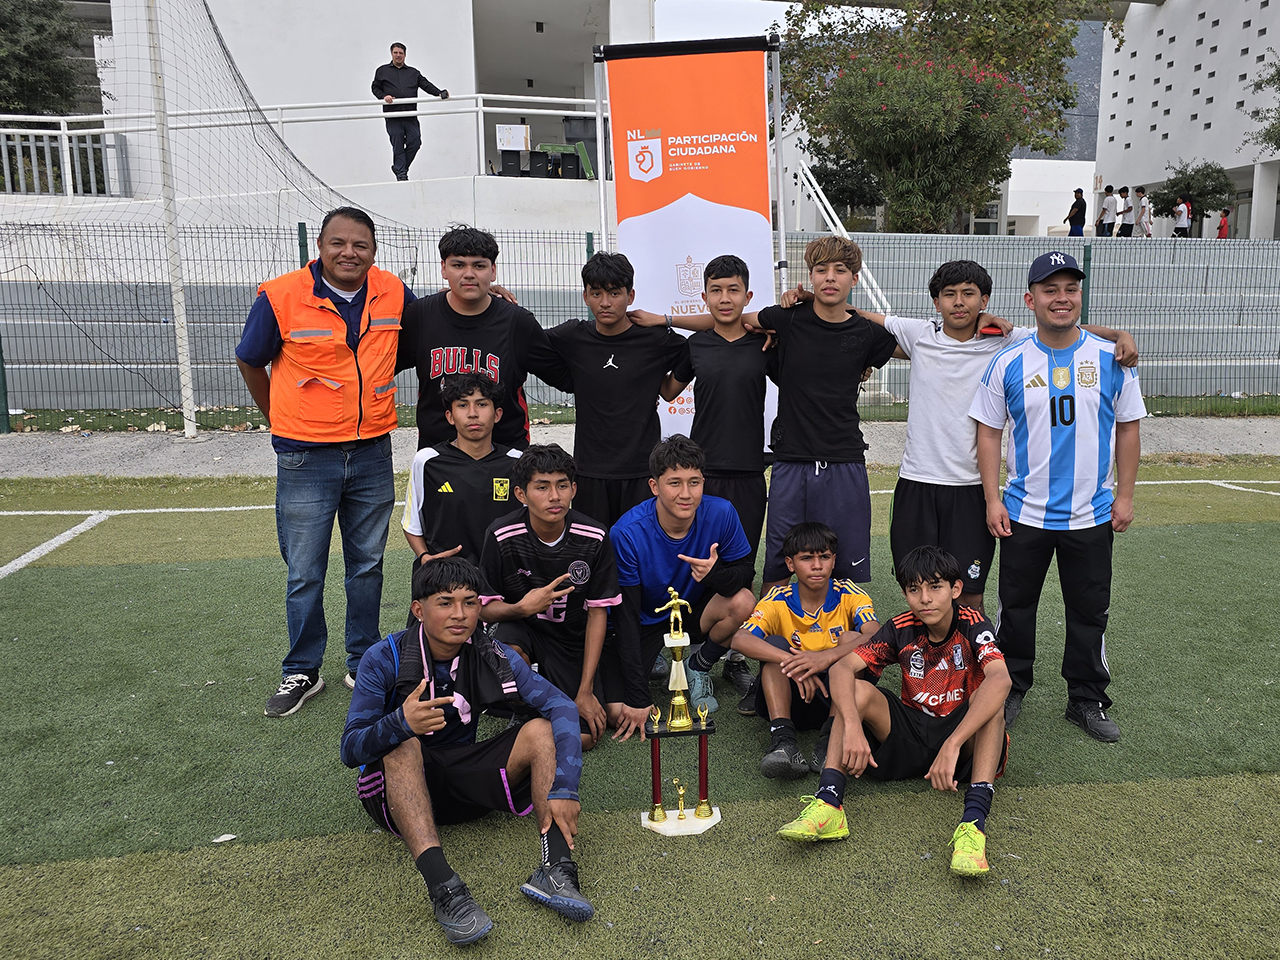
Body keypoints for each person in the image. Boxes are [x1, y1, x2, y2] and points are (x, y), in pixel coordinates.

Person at [341, 558, 592, 946]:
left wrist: (566, 787)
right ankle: (445, 889)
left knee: (542, 730)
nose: (460, 614)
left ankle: (555, 868)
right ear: (418, 609)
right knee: (403, 744)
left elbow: (562, 706)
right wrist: (400, 723)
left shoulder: (493, 653)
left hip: (465, 785)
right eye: (445, 603)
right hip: (396, 797)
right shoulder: (383, 656)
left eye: (470, 602)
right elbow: (350, 749)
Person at [872, 261, 1137, 613]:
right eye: (949, 294)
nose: (959, 302)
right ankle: (921, 649)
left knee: (969, 592)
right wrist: (811, 299)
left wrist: (1119, 335)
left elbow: (1063, 327)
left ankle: (973, 648)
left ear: (984, 300)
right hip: (917, 481)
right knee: (917, 585)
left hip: (972, 488)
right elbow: (856, 315)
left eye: (969, 294)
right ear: (936, 302)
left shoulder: (1007, 339)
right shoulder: (919, 334)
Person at [235, 206, 415, 716]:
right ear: (320, 246)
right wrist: (279, 416)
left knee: (368, 566)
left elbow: (432, 327)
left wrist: (490, 295)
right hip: (305, 457)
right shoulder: (280, 296)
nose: (349, 253)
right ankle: (301, 670)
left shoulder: (393, 291)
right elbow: (249, 358)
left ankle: (363, 662)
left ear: (373, 251)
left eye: (360, 245)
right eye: (338, 243)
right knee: (305, 572)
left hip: (372, 451)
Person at [969, 251, 1145, 743]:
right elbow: (988, 433)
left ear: (1080, 296)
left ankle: (1086, 698)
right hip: (1025, 512)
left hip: (1091, 513)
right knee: (1016, 608)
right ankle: (1010, 688)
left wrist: (1126, 495)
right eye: (1050, 290)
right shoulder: (1008, 361)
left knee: (1089, 611)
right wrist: (992, 499)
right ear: (1031, 300)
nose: (1061, 298)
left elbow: (1128, 428)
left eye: (1070, 289)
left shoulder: (1112, 358)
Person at [776, 546, 1010, 881]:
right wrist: (852, 726)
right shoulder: (900, 626)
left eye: (935, 587)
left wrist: (953, 743)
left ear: (956, 589)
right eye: (914, 589)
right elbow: (842, 668)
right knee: (857, 691)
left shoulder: (973, 623)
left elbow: (1001, 679)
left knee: (992, 706)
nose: (925, 598)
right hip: (910, 734)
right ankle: (829, 803)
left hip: (960, 741)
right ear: (905, 593)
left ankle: (973, 826)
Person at [663, 254, 775, 708]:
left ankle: (731, 656)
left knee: (740, 569)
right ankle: (687, 647)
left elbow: (804, 369)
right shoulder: (696, 345)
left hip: (748, 472)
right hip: (701, 475)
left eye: (733, 290)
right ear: (705, 296)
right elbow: (667, 390)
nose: (724, 298)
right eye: (716, 290)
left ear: (747, 296)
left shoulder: (764, 343)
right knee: (695, 562)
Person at [604, 436, 757, 734]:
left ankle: (697, 666)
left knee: (743, 601)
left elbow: (745, 571)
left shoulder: (722, 512)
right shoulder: (626, 532)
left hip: (691, 611)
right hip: (644, 620)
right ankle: (654, 663)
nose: (686, 494)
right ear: (654, 486)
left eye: (694, 482)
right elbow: (626, 616)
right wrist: (638, 696)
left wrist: (715, 575)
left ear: (703, 482)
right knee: (617, 714)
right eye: (674, 483)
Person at [479, 444, 621, 750]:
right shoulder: (501, 534)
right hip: (521, 629)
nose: (554, 496)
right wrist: (521, 608)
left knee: (585, 738)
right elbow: (484, 609)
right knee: (508, 653)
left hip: (570, 639)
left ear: (573, 490)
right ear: (521, 494)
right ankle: (522, 708)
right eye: (542, 487)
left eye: (562, 486)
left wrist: (585, 691)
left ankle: (548, 704)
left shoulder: (594, 537)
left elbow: (598, 613)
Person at [546, 252, 690, 528]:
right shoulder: (572, 336)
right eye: (596, 294)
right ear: (585, 297)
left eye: (614, 293)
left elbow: (697, 348)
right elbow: (527, 339)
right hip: (590, 470)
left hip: (642, 470)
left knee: (639, 546)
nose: (605, 303)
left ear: (630, 295)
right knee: (594, 547)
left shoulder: (655, 339)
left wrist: (666, 320)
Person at [397, 226, 573, 451]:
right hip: (438, 456)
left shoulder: (517, 323)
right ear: (443, 268)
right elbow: (380, 367)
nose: (469, 274)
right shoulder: (420, 316)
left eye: (479, 266)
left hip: (505, 454)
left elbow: (565, 378)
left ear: (493, 271)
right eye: (458, 265)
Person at [728, 523, 880, 779]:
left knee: (852, 638)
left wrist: (824, 658)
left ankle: (830, 740)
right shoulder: (778, 598)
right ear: (790, 564)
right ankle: (784, 742)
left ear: (834, 561)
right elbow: (739, 639)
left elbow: (876, 635)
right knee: (774, 645)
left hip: (840, 699)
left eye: (824, 557)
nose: (817, 565)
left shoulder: (848, 593)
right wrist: (794, 663)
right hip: (792, 695)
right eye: (807, 558)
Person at [402, 372, 522, 569]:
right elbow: (411, 523)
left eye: (481, 404)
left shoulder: (517, 462)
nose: (472, 413)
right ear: (450, 416)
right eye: (463, 405)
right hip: (445, 574)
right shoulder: (427, 461)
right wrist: (424, 556)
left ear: (497, 414)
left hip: (503, 575)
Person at [371, 43, 449, 181]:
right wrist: (383, 96)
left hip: (410, 115)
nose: (398, 55)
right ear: (391, 54)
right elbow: (375, 88)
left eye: (401, 53)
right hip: (393, 115)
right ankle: (401, 174)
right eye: (395, 53)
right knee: (398, 144)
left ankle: (399, 167)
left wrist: (439, 93)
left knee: (415, 141)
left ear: (405, 55)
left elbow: (426, 85)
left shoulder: (413, 73)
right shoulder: (382, 71)